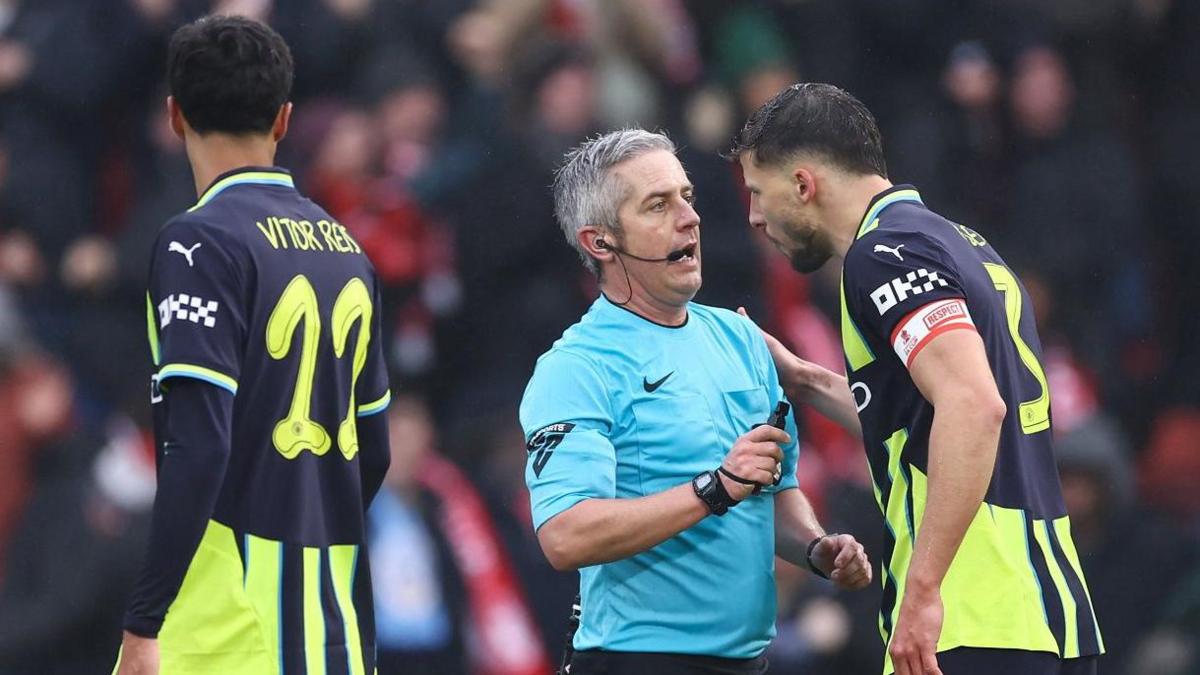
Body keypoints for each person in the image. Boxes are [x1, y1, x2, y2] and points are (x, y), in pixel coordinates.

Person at [731, 82, 1103, 675]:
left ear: (803, 184)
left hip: (970, 615)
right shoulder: (960, 243)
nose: (754, 216)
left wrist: (924, 589)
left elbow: (974, 407)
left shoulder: (884, 253)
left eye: (757, 191)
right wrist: (803, 379)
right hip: (1046, 613)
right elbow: (929, 421)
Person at [519, 128, 873, 675]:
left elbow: (772, 491)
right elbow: (566, 535)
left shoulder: (741, 339)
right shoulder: (576, 367)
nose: (689, 218)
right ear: (600, 242)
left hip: (750, 661)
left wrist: (814, 547)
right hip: (638, 661)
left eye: (687, 197)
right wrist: (713, 489)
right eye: (658, 205)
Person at [115, 16, 392, 675]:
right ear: (285, 119)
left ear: (175, 115)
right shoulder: (347, 249)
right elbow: (373, 450)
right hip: (337, 629)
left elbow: (200, 445)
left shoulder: (197, 243)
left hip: (227, 626)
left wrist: (143, 621)